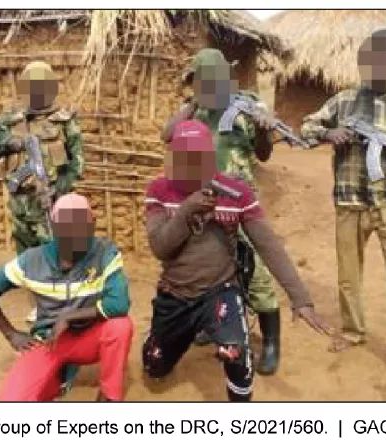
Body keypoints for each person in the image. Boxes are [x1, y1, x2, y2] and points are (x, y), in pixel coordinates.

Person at [141, 120, 331, 401]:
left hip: (220, 291)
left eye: (200, 158)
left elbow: (268, 245)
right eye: (185, 158)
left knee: (236, 356)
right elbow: (160, 247)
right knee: (155, 366)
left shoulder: (235, 193)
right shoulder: (160, 191)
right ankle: (166, 338)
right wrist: (187, 210)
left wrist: (300, 298)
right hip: (175, 292)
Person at [300, 29, 386, 381]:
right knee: (349, 276)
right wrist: (330, 134)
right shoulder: (343, 101)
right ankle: (353, 331)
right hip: (350, 203)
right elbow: (306, 127)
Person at [161, 48, 284, 376]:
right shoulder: (193, 112)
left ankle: (271, 341)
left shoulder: (247, 107)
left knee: (256, 272)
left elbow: (264, 154)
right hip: (203, 205)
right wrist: (193, 102)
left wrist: (262, 129)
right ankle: (208, 324)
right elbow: (166, 134)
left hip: (239, 205)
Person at [0, 194, 133, 401]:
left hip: (89, 337)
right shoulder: (32, 261)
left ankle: (109, 397)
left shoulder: (104, 253)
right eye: (67, 228)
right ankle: (59, 375)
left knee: (120, 326)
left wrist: (69, 316)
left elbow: (119, 304)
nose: (75, 234)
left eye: (82, 227)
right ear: (54, 227)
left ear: (92, 225)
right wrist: (11, 334)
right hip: (50, 342)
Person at [0, 60, 84, 391]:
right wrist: (17, 143)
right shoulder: (10, 121)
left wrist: (58, 191)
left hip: (50, 210)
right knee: (29, 269)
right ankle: (42, 319)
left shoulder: (65, 121)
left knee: (56, 272)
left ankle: (61, 344)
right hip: (21, 210)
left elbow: (76, 165)